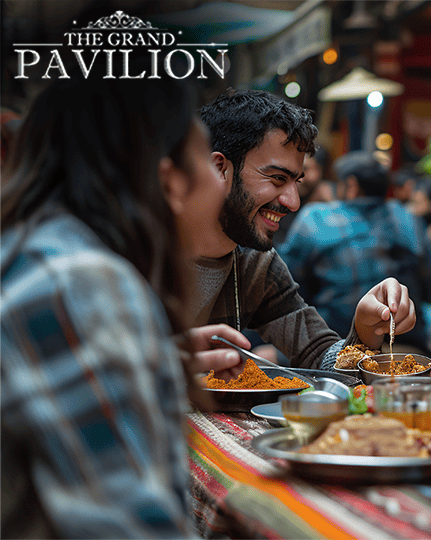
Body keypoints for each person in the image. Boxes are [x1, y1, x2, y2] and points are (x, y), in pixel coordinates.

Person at [0, 71, 248, 538]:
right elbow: (132, 526)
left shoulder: (38, 252)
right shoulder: (81, 282)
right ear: (169, 182)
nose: (220, 186)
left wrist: (153, 356)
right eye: (207, 162)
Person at [194, 90, 416, 370]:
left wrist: (365, 330)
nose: (293, 202)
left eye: (296, 182)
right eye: (277, 178)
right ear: (219, 169)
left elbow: (318, 353)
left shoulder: (257, 264)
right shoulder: (145, 253)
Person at [278, 151, 431, 356]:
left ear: (351, 185)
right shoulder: (408, 218)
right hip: (408, 349)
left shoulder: (315, 219)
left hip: (335, 348)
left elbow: (288, 290)